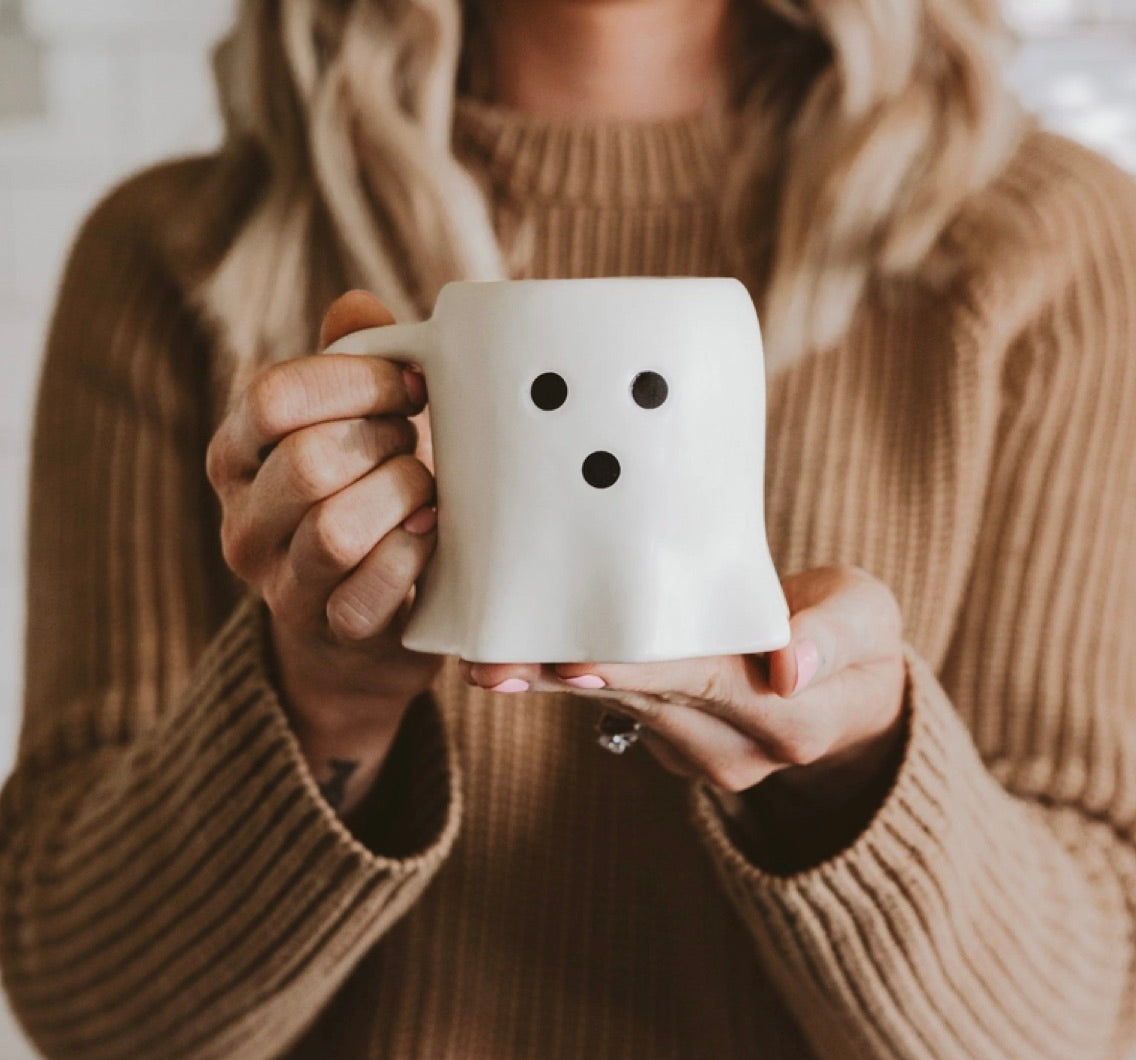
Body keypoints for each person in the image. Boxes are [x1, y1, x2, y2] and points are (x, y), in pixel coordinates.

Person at [2, 0, 1134, 1056]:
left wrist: (852, 770)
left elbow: (1078, 1014)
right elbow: (94, 1006)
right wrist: (324, 697)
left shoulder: (1049, 243)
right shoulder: (174, 254)